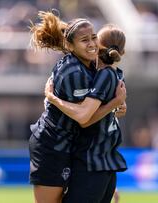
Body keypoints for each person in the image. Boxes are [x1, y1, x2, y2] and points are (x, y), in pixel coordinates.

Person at [29, 11, 126, 203]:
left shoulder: (92, 65)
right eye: (84, 40)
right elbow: (83, 117)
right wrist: (52, 98)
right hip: (52, 144)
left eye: (93, 38)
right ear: (70, 46)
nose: (91, 44)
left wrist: (115, 107)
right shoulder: (73, 72)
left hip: (71, 144)